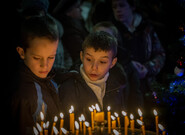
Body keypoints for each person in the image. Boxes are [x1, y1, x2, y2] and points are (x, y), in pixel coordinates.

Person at [56, 31, 130, 129]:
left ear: (112, 63)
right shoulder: (69, 87)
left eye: (102, 62)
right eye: (89, 59)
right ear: (82, 56)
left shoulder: (117, 85)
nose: (94, 67)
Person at [9, 15, 62, 135]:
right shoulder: (25, 95)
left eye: (51, 57)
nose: (45, 65)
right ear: (22, 52)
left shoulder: (50, 79)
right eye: (37, 58)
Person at [111, 0, 166, 109]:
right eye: (114, 7)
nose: (118, 10)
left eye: (122, 5)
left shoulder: (146, 28)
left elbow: (160, 53)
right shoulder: (112, 30)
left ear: (132, 7)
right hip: (125, 85)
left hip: (148, 85)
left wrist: (147, 68)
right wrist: (128, 65)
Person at [92, 21, 143, 113]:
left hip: (120, 117)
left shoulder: (126, 63)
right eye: (98, 36)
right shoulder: (84, 64)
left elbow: (135, 96)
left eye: (107, 36)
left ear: (115, 40)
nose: (102, 41)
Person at [53, 0, 89, 65]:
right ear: (68, 12)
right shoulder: (70, 30)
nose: (81, 9)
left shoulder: (77, 25)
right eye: (77, 7)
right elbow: (79, 53)